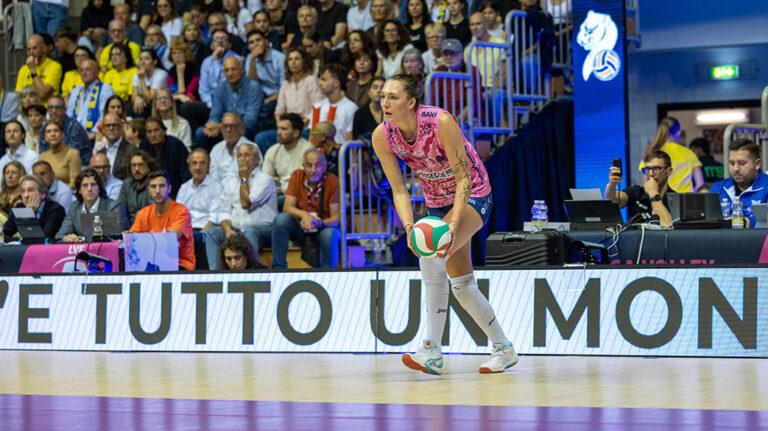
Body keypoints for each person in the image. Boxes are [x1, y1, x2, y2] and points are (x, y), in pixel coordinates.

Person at [371, 73, 516, 374]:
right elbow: (399, 190)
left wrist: (453, 223)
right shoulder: (382, 136)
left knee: (431, 257)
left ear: (411, 102)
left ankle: (431, 350)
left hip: (474, 193)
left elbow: (464, 178)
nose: (385, 102)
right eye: (383, 96)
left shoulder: (440, 122)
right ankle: (504, 349)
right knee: (463, 285)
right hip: (436, 201)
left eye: (393, 97)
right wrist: (409, 228)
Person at [205, 142, 277, 269]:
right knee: (212, 233)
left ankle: (251, 272)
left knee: (250, 230)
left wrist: (244, 179)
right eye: (239, 156)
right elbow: (223, 211)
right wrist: (228, 230)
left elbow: (246, 203)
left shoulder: (265, 179)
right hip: (237, 230)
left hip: (264, 230)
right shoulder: (230, 181)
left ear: (257, 159)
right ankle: (216, 275)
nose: (242, 159)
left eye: (247, 155)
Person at [272, 148, 340, 269]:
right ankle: (278, 268)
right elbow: (287, 208)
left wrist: (320, 223)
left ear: (325, 167)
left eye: (317, 165)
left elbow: (337, 218)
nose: (313, 170)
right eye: (309, 165)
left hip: (324, 227)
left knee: (329, 234)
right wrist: (304, 215)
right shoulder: (297, 175)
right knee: (281, 220)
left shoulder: (333, 181)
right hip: (301, 227)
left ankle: (328, 273)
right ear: (303, 166)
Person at [129, 169, 196, 270]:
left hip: (180, 265)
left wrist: (146, 240)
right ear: (149, 190)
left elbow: (171, 240)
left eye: (162, 186)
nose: (157, 191)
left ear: (169, 188)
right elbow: (132, 241)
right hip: (150, 265)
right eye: (153, 186)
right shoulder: (142, 214)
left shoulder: (181, 212)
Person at [198, 56, 264, 149]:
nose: (230, 73)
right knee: (201, 133)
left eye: (233, 69)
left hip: (246, 128)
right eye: (226, 70)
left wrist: (222, 126)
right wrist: (212, 125)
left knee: (238, 130)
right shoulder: (220, 88)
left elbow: (250, 119)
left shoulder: (253, 87)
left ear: (241, 70)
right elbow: (215, 114)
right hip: (225, 127)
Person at [606, 150, 675, 228]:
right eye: (647, 169)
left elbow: (669, 226)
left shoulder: (676, 199)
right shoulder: (636, 192)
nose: (650, 174)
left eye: (656, 169)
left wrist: (653, 193)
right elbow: (612, 201)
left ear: (669, 171)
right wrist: (612, 184)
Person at [55, 169, 128, 242]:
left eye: (93, 185)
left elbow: (116, 236)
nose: (89, 189)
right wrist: (67, 238)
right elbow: (60, 236)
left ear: (99, 188)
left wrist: (81, 239)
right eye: (85, 185)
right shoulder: (74, 208)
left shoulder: (114, 206)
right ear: (79, 190)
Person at [709, 139, 768, 229]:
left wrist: (746, 223)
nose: (736, 168)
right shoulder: (718, 188)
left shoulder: (766, 187)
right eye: (732, 163)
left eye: (742, 163)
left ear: (757, 164)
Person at [641, 117, 703, 193]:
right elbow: (700, 185)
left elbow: (647, 184)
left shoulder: (651, 153)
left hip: (661, 199)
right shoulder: (689, 153)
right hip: (685, 199)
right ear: (678, 133)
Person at [3, 173, 66, 240]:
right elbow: (4, 234)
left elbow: (42, 240)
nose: (26, 195)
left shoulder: (56, 210)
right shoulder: (20, 207)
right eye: (23, 191)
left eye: (30, 190)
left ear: (42, 194)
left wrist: (28, 214)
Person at [246, 30, 285, 134]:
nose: (255, 44)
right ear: (249, 47)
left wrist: (269, 100)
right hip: (261, 96)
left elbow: (285, 87)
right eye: (251, 42)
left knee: (264, 110)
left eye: (258, 40)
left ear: (266, 42)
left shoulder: (280, 58)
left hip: (279, 96)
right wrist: (253, 60)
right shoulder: (250, 58)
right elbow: (252, 84)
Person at [263, 113, 314, 193]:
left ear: (295, 133)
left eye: (284, 129)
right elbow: (265, 180)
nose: (278, 132)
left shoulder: (309, 151)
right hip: (277, 193)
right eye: (278, 128)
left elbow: (302, 183)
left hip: (300, 194)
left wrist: (278, 185)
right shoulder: (273, 150)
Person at [140, 117, 190, 197]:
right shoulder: (144, 146)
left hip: (175, 192)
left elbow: (186, 175)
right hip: (151, 192)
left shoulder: (175, 145)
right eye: (149, 132)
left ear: (164, 131)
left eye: (156, 130)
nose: (153, 135)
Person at [66, 59, 115, 140]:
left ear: (97, 72)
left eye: (88, 70)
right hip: (73, 136)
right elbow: (69, 114)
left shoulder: (105, 89)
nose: (84, 73)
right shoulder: (76, 90)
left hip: (94, 136)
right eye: (82, 70)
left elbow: (104, 116)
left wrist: (94, 133)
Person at [38, 95, 92, 167]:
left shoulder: (74, 127)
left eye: (58, 107)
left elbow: (71, 155)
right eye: (51, 108)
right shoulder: (44, 129)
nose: (54, 111)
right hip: (53, 165)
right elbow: (43, 153)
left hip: (80, 166)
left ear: (64, 109)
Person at [311, 64, 358, 144]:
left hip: (340, 150)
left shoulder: (351, 108)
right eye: (320, 79)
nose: (320, 83)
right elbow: (312, 134)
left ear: (336, 83)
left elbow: (350, 139)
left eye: (324, 80)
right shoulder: (317, 106)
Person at [209, 113, 261, 182]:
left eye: (232, 126)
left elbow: (256, 178)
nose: (228, 130)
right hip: (219, 188)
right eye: (225, 126)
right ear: (221, 129)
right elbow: (213, 179)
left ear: (241, 129)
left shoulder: (252, 148)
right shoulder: (216, 149)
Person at [15, 34, 63, 103]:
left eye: (34, 48)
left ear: (43, 48)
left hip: (46, 108)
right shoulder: (23, 69)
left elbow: (42, 95)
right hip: (27, 108)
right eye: (29, 49)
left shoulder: (55, 66)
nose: (31, 52)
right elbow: (18, 95)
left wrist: (33, 71)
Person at [39, 121, 82, 188]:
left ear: (62, 135)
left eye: (56, 131)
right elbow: (39, 182)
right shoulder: (42, 157)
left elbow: (75, 184)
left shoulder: (72, 153)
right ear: (45, 137)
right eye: (49, 131)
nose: (52, 134)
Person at [93, 113, 135, 181]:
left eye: (114, 125)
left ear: (121, 127)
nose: (111, 128)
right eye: (108, 125)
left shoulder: (132, 151)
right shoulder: (99, 153)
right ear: (103, 129)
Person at [119, 150, 157, 223]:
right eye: (133, 165)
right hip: (130, 227)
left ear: (149, 168)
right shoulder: (127, 184)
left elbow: (154, 213)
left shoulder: (154, 184)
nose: (137, 169)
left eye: (140, 165)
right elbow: (121, 211)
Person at [131, 49, 169, 118]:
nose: (143, 62)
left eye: (146, 59)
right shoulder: (137, 75)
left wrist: (142, 79)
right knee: (133, 105)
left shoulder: (161, 74)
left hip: (159, 102)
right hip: (145, 102)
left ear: (154, 62)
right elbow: (133, 96)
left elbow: (151, 98)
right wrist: (137, 98)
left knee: (144, 105)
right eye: (141, 59)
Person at [352, 76, 384, 140]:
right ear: (369, 92)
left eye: (382, 88)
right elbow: (356, 140)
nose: (378, 90)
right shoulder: (360, 114)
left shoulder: (392, 112)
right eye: (375, 87)